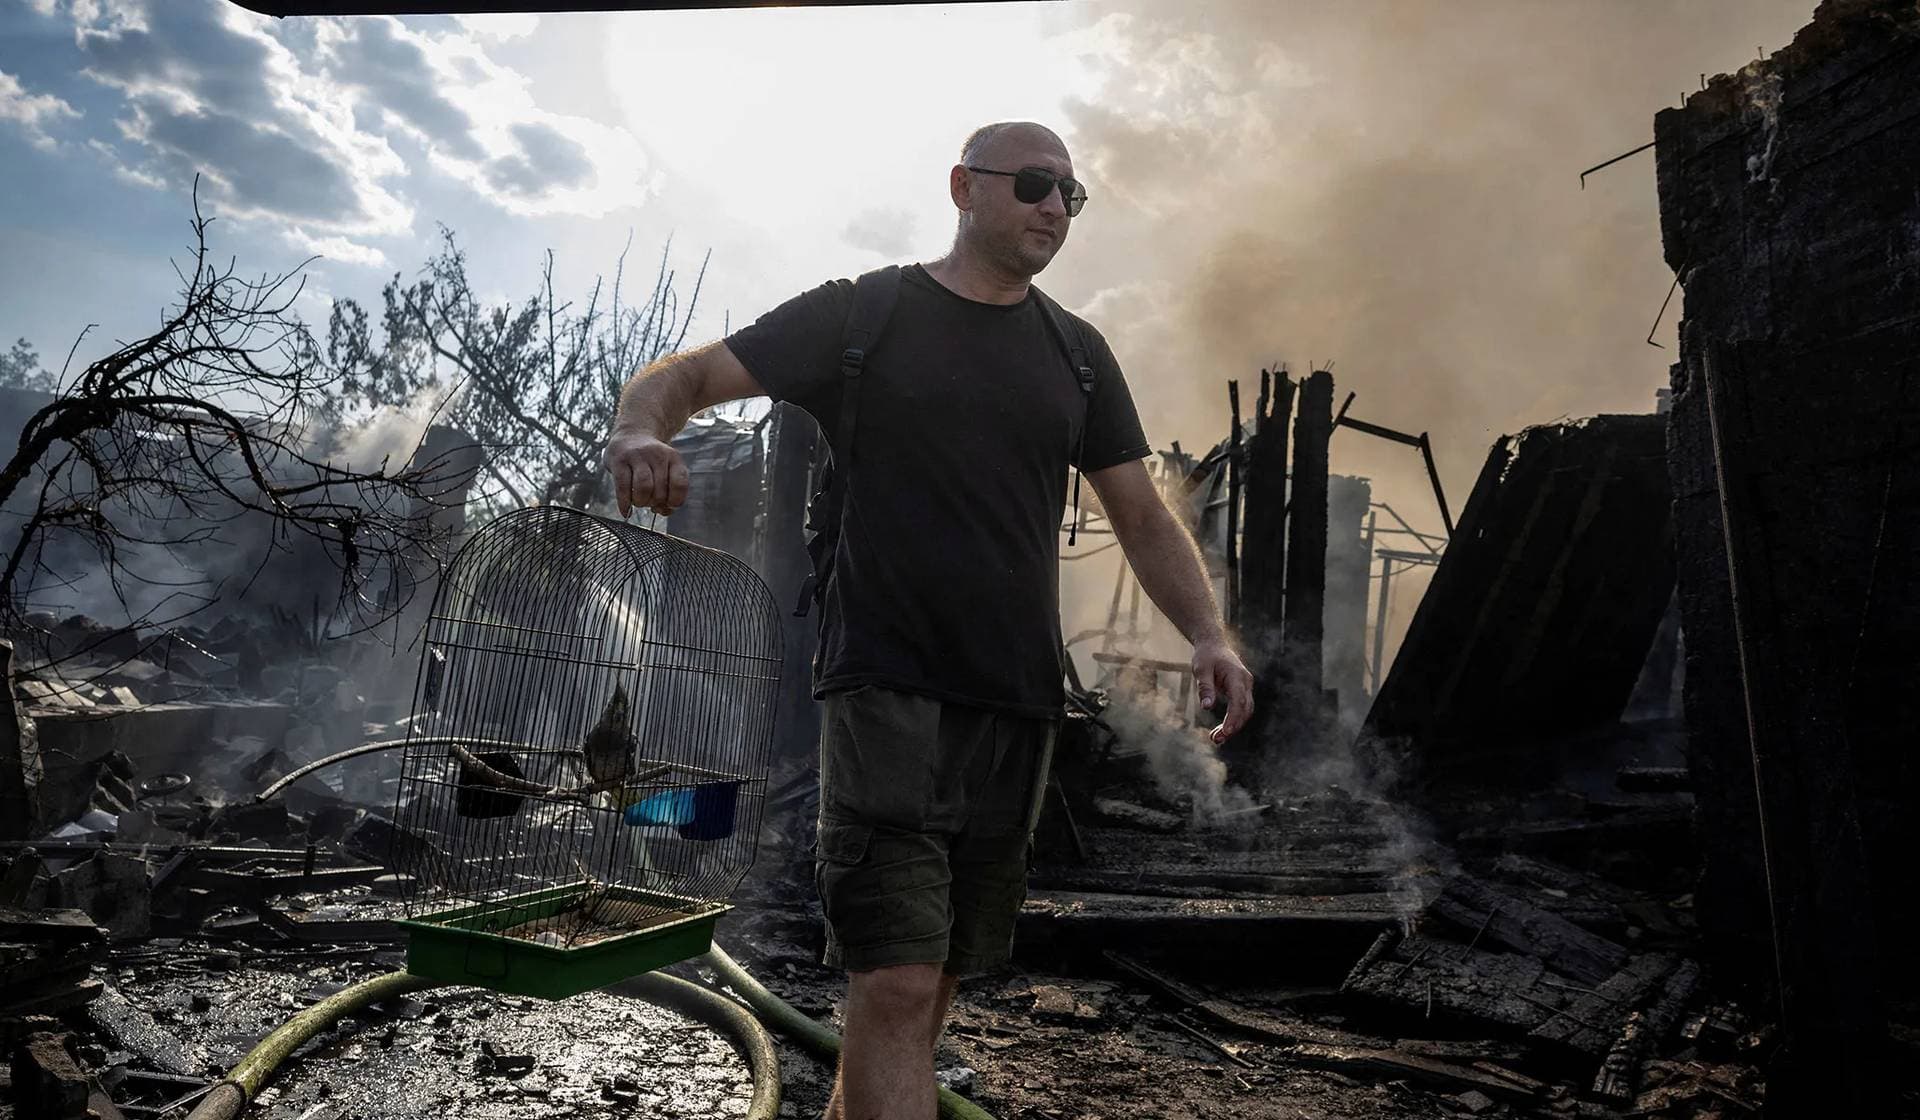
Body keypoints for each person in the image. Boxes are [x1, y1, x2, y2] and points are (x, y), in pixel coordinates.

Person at [602, 121, 1254, 1120]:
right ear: (964, 187)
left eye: (1070, 196)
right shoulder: (862, 316)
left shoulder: (1078, 356)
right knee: (898, 978)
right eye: (1035, 184)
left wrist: (1208, 631)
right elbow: (687, 375)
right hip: (887, 687)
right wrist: (641, 428)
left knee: (939, 973)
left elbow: (1139, 513)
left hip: (1018, 706)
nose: (1054, 208)